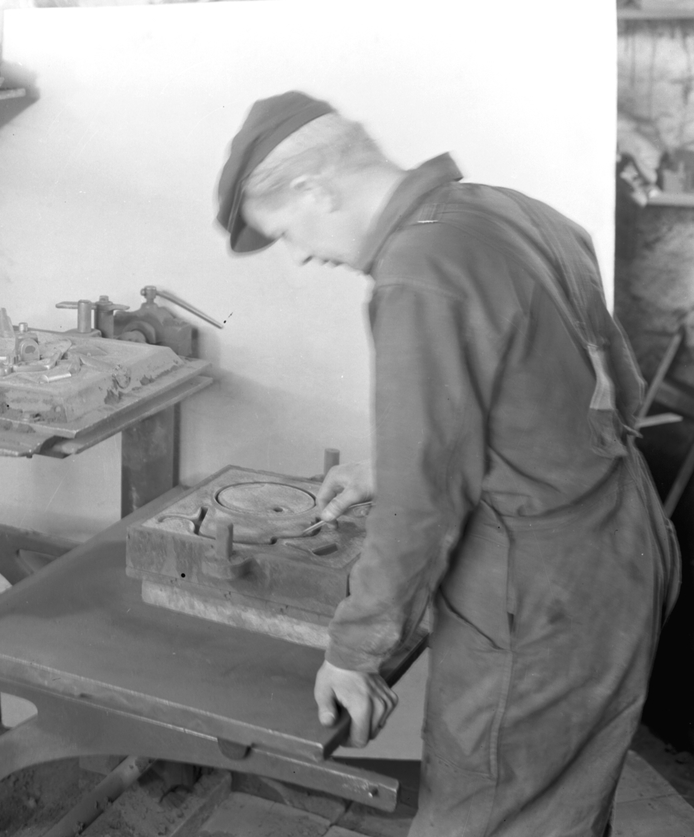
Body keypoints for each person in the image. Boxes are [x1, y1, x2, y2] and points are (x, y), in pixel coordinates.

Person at [215, 91, 681, 836]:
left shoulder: (418, 274)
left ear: (314, 188)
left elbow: (420, 510)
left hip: (537, 596)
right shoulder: (502, 210)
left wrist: (354, 652)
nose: (300, 253)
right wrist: (394, 465)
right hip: (621, 544)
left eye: (286, 232)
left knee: (485, 816)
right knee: (560, 805)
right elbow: (588, 386)